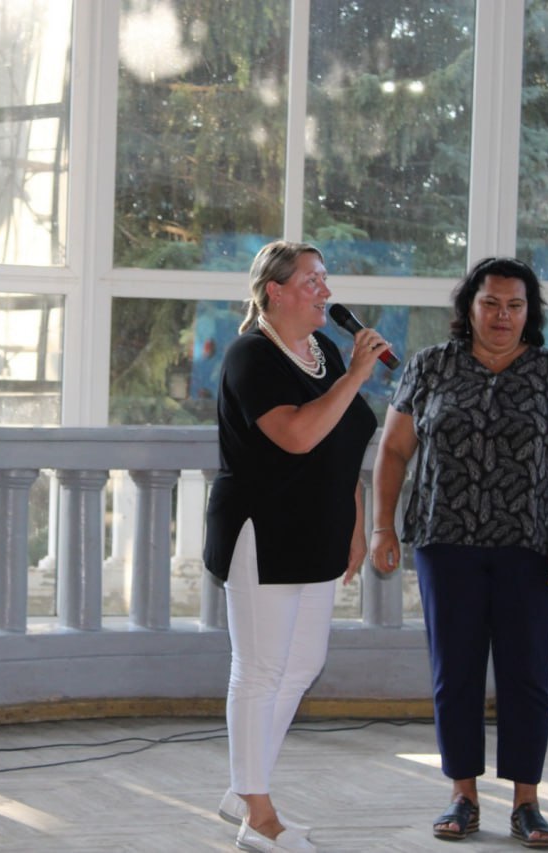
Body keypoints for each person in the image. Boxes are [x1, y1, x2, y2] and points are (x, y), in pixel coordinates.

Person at [370, 257, 548, 850]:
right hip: (445, 544)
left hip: (529, 548)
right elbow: (393, 451)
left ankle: (527, 803)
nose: (502, 316)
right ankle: (462, 795)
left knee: (527, 675)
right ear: (469, 307)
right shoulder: (431, 367)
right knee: (456, 673)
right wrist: (382, 527)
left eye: (514, 306)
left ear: (529, 312)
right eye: (490, 303)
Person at [203, 241, 389, 853]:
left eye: (325, 280)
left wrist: (354, 522)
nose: (326, 293)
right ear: (275, 291)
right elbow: (298, 435)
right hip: (264, 529)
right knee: (259, 669)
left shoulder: (325, 351)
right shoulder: (250, 356)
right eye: (312, 281)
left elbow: (342, 443)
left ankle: (244, 788)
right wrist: (357, 375)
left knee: (303, 663)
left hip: (320, 527)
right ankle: (258, 813)